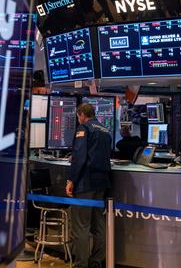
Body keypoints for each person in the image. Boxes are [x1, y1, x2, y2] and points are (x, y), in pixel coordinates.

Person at [66, 103, 112, 268]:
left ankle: (81, 264)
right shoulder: (106, 131)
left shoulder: (84, 128)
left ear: (81, 115)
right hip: (102, 183)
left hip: (85, 183)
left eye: (78, 117)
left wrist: (71, 180)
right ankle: (96, 262)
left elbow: (79, 157)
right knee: (98, 224)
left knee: (81, 226)